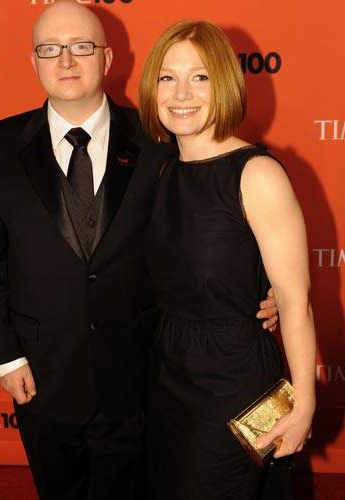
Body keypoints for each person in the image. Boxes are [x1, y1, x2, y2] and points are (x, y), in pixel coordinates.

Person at [0, 2, 278, 499]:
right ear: (33, 61)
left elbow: (213, 219)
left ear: (107, 59)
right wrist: (5, 357)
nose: (66, 60)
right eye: (50, 49)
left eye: (81, 46)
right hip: (41, 373)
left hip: (140, 370)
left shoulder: (160, 138)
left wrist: (267, 289)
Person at [138, 20, 316, 500]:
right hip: (167, 374)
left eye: (200, 77)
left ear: (225, 84)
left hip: (236, 384)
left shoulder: (257, 174)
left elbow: (294, 302)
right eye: (168, 77)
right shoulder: (161, 171)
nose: (181, 93)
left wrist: (303, 406)